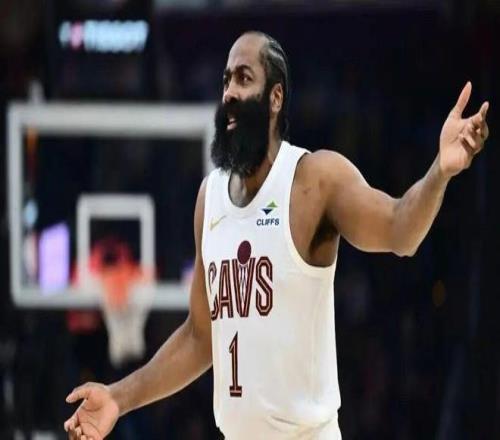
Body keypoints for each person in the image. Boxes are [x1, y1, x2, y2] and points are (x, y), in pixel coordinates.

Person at [64, 31, 489, 440]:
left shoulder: (314, 180)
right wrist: (118, 397)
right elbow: (199, 337)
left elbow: (400, 230)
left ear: (275, 96)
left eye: (243, 78)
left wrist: (440, 170)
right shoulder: (209, 198)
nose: (229, 92)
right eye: (226, 80)